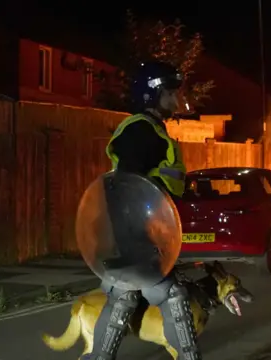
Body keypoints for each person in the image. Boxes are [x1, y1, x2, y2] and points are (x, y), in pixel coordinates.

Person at [82, 61, 200, 360]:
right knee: (171, 295)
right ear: (152, 96)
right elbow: (128, 190)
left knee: (123, 296)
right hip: (138, 238)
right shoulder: (140, 131)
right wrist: (138, 240)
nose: (175, 100)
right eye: (169, 94)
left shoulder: (151, 130)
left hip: (140, 236)